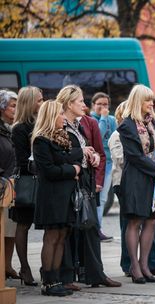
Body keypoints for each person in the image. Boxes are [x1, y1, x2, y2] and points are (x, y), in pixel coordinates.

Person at [57, 85, 121, 290]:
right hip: (68, 183)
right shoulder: (58, 124)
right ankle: (66, 276)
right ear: (68, 104)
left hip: (85, 181)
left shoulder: (81, 124)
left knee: (91, 226)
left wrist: (91, 156)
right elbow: (60, 154)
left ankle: (95, 274)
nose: (84, 106)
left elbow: (97, 151)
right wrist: (82, 154)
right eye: (80, 102)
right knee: (67, 231)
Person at [118, 84, 155, 284]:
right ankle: (134, 266)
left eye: (152, 100)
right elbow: (135, 157)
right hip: (136, 179)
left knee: (152, 221)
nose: (151, 103)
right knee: (135, 221)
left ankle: (145, 264)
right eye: (147, 100)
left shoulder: (154, 124)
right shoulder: (127, 125)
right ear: (138, 101)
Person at [32, 100, 82, 296]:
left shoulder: (62, 137)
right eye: (60, 114)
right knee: (52, 237)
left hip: (65, 195)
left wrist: (72, 166)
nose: (64, 117)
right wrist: (73, 170)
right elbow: (48, 170)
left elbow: (72, 158)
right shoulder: (41, 140)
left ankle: (57, 279)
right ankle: (48, 281)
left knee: (62, 236)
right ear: (51, 117)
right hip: (51, 196)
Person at [10, 86, 43, 286]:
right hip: (27, 182)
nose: (42, 102)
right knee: (23, 225)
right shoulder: (20, 128)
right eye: (39, 100)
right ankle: (25, 266)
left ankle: (45, 266)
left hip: (43, 182)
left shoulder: (41, 122)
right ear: (29, 103)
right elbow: (21, 160)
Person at [90, 92, 117, 241]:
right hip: (95, 163)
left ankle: (97, 228)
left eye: (105, 104)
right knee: (96, 197)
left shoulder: (112, 120)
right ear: (93, 105)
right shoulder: (90, 120)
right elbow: (97, 137)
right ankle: (95, 230)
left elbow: (114, 138)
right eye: (99, 104)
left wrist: (108, 119)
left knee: (102, 198)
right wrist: (103, 118)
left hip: (108, 163)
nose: (102, 107)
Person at [0, 90, 18, 281]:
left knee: (11, 228)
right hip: (2, 184)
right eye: (12, 105)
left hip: (11, 183)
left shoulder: (10, 129)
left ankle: (7, 265)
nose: (16, 109)